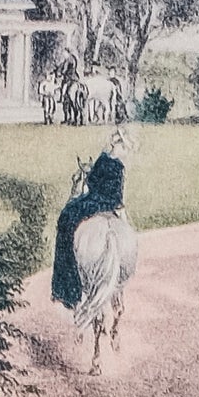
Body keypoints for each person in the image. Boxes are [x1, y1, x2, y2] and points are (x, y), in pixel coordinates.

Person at [51, 130, 131, 311]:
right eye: (123, 147)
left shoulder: (102, 160)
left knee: (65, 218)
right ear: (117, 146)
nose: (124, 151)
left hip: (94, 202)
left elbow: (92, 183)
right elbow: (118, 194)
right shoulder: (119, 166)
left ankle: (66, 286)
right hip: (110, 204)